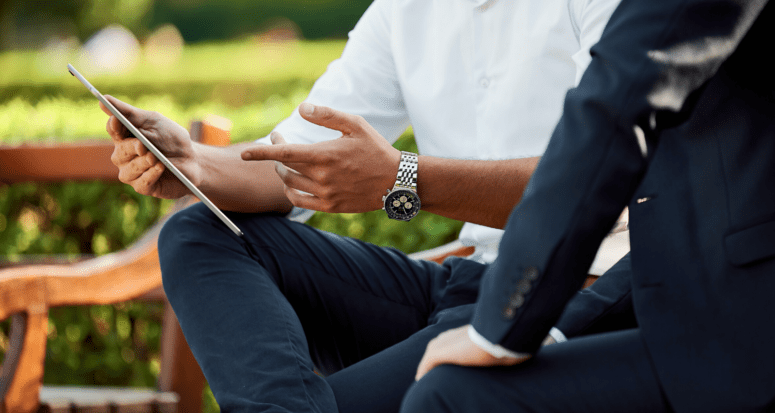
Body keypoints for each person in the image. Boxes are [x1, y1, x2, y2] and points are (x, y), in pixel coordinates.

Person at [102, 0, 624, 411]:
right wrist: (193, 162)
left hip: (576, 294)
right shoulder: (403, 11)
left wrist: (405, 178)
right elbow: (297, 158)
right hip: (465, 282)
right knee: (197, 234)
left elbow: (600, 181)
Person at [401, 0, 775, 412]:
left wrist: (500, 326)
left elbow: (614, 107)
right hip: (664, 303)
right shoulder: (402, 12)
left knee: (451, 396)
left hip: (738, 327)